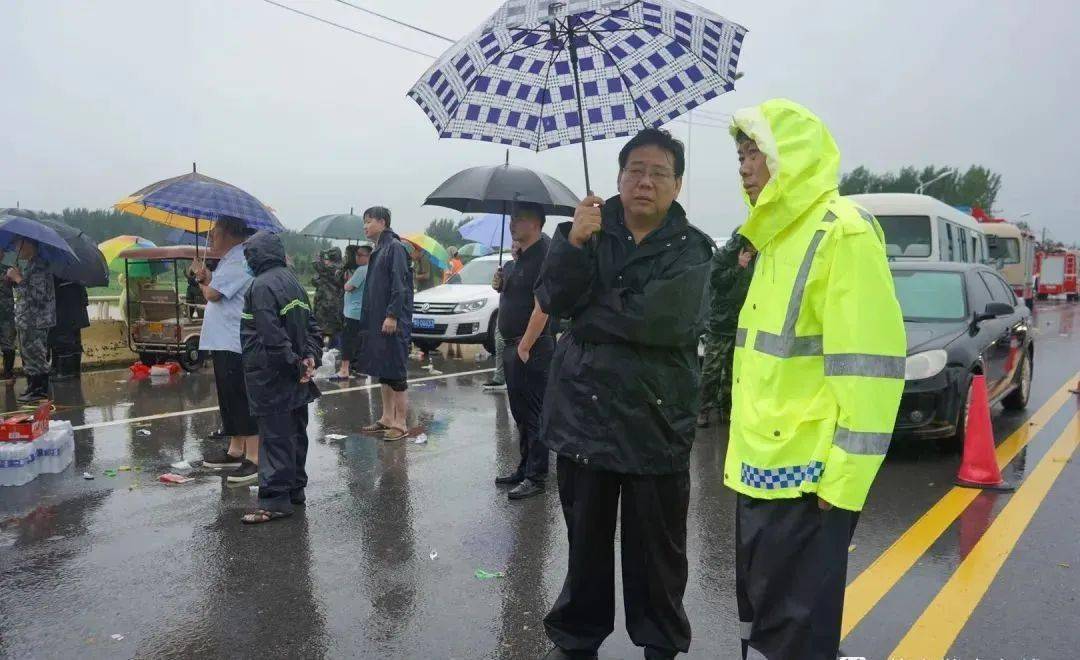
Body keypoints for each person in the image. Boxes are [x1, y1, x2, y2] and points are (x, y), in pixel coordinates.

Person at [726, 99, 905, 660]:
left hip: (809, 483)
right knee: (764, 619)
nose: (744, 165)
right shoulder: (775, 241)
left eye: (755, 151)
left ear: (792, 156)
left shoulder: (842, 234)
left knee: (794, 632)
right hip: (758, 471)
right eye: (740, 153)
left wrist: (844, 481)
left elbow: (871, 368)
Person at [536, 128, 713, 660]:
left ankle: (659, 642)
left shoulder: (694, 249)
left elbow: (666, 320)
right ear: (618, 177)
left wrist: (591, 313)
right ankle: (576, 638)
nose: (645, 182)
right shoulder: (581, 232)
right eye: (636, 170)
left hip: (656, 422)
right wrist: (572, 247)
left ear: (677, 185)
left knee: (656, 552)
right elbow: (552, 300)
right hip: (583, 417)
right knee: (585, 544)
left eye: (659, 173)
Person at [237, 231, 323, 524]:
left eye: (248, 255)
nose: (247, 261)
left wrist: (294, 365)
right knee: (295, 434)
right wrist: (309, 360)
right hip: (295, 374)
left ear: (258, 255)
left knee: (274, 437)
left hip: (271, 374)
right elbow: (312, 327)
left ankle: (274, 499)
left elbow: (271, 336)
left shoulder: (260, 286)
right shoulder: (293, 282)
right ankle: (294, 490)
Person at [194, 216, 261, 486]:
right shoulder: (231, 259)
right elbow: (218, 287)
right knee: (230, 399)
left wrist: (200, 280)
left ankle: (254, 458)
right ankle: (235, 449)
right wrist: (208, 277)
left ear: (230, 234)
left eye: (215, 232)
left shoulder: (239, 259)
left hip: (234, 341)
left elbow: (213, 295)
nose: (211, 237)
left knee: (241, 399)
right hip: (223, 340)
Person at [494, 204, 552, 501]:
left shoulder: (545, 255)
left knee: (534, 414)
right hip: (513, 344)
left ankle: (536, 476)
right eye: (512, 218)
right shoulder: (521, 257)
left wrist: (525, 346)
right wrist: (501, 282)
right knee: (520, 413)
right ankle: (524, 467)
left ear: (537, 223)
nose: (513, 223)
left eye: (520, 218)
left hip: (532, 347)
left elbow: (543, 306)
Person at [358, 206, 414, 442]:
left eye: (369, 221)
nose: (365, 226)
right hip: (378, 321)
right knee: (384, 369)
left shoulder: (395, 248)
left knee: (396, 371)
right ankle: (386, 417)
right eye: (365, 222)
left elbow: (399, 285)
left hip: (393, 321)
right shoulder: (379, 249)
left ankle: (401, 423)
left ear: (382, 222)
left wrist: (392, 315)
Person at [697, 228, 756, 427]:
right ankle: (703, 410)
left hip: (742, 323)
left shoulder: (758, 259)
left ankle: (727, 409)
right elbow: (717, 283)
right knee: (712, 370)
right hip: (720, 323)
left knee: (733, 370)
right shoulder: (723, 257)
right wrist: (739, 267)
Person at [6, 239, 57, 403]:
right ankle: (33, 387)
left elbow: (38, 297)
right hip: (26, 320)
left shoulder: (39, 267)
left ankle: (40, 391)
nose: (16, 248)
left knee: (37, 356)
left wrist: (19, 279)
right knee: (28, 356)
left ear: (29, 245)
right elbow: (25, 291)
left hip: (36, 321)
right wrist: (16, 280)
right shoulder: (31, 265)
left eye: (18, 244)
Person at [482, 242, 522, 393]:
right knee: (499, 345)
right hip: (504, 312)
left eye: (516, 247)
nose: (514, 250)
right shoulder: (507, 266)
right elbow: (500, 288)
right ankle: (499, 378)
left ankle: (516, 380)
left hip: (519, 316)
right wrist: (497, 282)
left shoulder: (527, 266)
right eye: (512, 247)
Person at [333, 243, 372, 381]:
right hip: (363, 310)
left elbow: (349, 287)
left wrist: (347, 282)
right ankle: (360, 368)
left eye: (360, 255)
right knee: (360, 341)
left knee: (348, 341)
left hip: (353, 311)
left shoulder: (362, 270)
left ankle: (344, 370)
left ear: (368, 256)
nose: (357, 257)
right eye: (356, 254)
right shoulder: (373, 269)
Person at [48, 277, 90, 381]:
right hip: (75, 304)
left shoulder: (59, 269)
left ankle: (64, 372)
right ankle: (73, 371)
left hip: (65, 305)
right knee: (74, 339)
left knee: (63, 339)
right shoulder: (74, 267)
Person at [312, 247, 344, 349]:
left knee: (332, 332)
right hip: (324, 305)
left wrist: (320, 255)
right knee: (326, 331)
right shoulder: (330, 269)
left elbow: (317, 265)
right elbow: (315, 280)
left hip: (330, 306)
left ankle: (333, 354)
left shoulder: (336, 268)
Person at [0, 263, 16, 383]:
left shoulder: (8, 269)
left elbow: (20, 285)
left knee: (8, 344)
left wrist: (15, 275)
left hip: (6, 315)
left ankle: (8, 373)